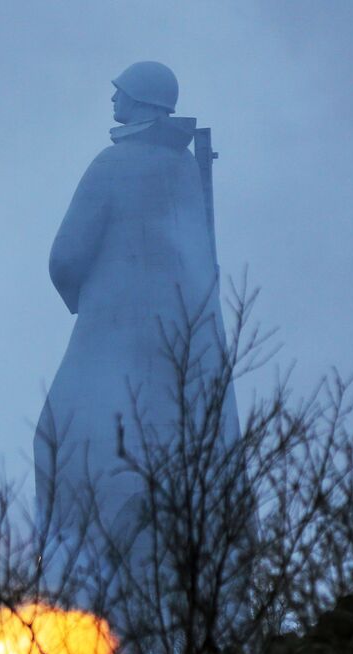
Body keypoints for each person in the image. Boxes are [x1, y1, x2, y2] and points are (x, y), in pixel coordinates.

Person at [35, 62, 239, 559]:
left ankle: (65, 560)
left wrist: (89, 300)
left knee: (57, 439)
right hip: (182, 345)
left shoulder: (114, 164)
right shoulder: (184, 168)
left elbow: (66, 256)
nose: (113, 102)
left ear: (141, 99)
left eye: (120, 93)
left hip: (110, 336)